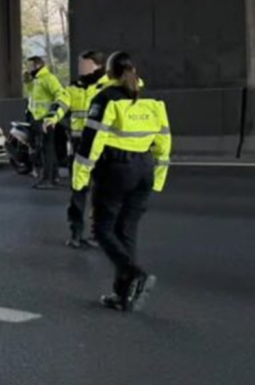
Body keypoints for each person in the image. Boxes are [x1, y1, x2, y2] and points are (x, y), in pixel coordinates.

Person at [72, 52, 171, 312]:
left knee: (102, 229)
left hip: (117, 169)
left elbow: (91, 141)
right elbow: (164, 142)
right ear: (134, 70)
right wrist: (158, 179)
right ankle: (123, 294)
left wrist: (79, 178)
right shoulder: (150, 101)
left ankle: (133, 272)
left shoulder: (105, 99)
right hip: (145, 169)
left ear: (109, 73)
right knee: (127, 231)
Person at [46, 51, 107, 248]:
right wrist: (52, 117)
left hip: (102, 147)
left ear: (96, 65)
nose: (80, 68)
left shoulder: (108, 86)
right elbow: (60, 103)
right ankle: (76, 233)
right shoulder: (74, 87)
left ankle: (98, 235)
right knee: (78, 191)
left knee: (101, 194)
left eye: (84, 64)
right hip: (79, 146)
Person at [23, 56, 65, 189]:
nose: (27, 68)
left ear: (37, 66)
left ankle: (47, 180)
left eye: (29, 66)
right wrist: (28, 83)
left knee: (47, 150)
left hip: (46, 120)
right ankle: (54, 176)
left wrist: (52, 115)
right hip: (37, 118)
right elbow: (34, 97)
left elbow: (60, 94)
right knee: (47, 149)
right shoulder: (36, 80)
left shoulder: (48, 78)